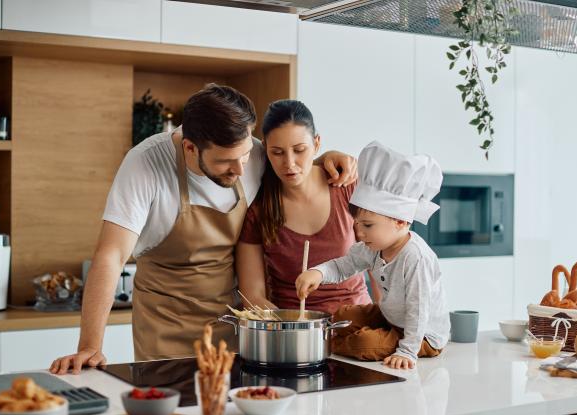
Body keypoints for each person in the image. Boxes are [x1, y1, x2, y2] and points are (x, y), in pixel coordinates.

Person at [49, 84, 357, 373]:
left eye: (246, 155)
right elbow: (111, 255)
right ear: (190, 148)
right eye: (226, 162)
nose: (240, 170)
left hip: (233, 323)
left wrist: (329, 158)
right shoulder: (145, 165)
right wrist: (90, 346)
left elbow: (295, 161)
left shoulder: (254, 154)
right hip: (165, 327)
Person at [295, 141, 450, 370]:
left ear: (400, 221)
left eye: (367, 225)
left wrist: (407, 351)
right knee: (341, 315)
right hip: (392, 318)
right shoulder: (373, 246)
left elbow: (419, 310)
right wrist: (317, 273)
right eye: (357, 224)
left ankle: (328, 344)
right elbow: (344, 266)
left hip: (422, 334)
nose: (359, 232)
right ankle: (338, 338)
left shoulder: (415, 257)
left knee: (363, 344)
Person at [236, 100, 371, 314]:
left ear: (317, 144)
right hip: (295, 329)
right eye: (277, 153)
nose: (289, 163)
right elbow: (253, 296)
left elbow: (380, 258)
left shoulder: (347, 187)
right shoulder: (259, 211)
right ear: (265, 149)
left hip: (357, 323)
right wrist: (286, 328)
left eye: (299, 150)